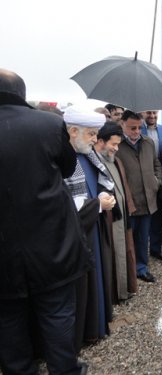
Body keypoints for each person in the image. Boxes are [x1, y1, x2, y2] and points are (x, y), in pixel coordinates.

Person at [0, 69, 89, 374]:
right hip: (51, 245)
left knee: (8, 323)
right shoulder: (49, 124)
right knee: (57, 317)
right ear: (21, 94)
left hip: (3, 254)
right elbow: (67, 167)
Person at [64, 105, 116, 348]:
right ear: (73, 131)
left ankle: (96, 326)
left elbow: (102, 180)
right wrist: (97, 205)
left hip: (93, 228)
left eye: (96, 134)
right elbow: (66, 207)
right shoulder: (64, 159)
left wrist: (105, 196)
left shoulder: (86, 153)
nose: (96, 140)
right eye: (91, 134)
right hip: (76, 234)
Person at [116, 110, 162, 283]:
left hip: (148, 200)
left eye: (139, 127)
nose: (136, 131)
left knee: (143, 238)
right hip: (129, 201)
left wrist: (156, 182)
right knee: (127, 239)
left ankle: (141, 268)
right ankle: (126, 271)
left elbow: (156, 163)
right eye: (132, 128)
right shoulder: (117, 145)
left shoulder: (148, 142)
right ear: (123, 124)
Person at [94, 122, 138, 301]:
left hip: (122, 217)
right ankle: (113, 294)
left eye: (118, 144)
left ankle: (123, 290)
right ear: (101, 141)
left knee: (124, 251)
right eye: (113, 144)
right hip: (107, 219)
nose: (116, 148)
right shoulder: (93, 162)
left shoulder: (115, 160)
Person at [140, 110, 162, 261]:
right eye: (149, 113)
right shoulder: (138, 130)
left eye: (154, 113)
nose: (152, 116)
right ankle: (154, 248)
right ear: (142, 113)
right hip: (146, 180)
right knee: (154, 217)